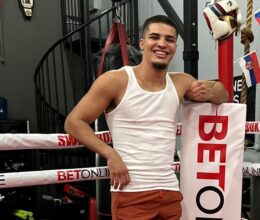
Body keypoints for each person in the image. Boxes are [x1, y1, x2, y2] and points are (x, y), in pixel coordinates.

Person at [64, 15, 229, 220]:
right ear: (142, 44)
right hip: (132, 192)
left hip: (169, 190)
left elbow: (223, 94)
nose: (162, 44)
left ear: (175, 46)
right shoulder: (116, 80)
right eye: (155, 37)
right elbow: (73, 122)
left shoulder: (180, 82)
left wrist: (208, 93)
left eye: (169, 39)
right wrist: (111, 154)